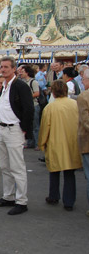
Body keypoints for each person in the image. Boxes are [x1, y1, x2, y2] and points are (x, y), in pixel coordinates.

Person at [0, 56, 34, 215]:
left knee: (17, 167)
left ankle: (22, 201)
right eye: (1, 67)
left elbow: (29, 108)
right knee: (5, 166)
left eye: (6, 67)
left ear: (14, 69)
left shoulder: (20, 86)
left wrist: (24, 129)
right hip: (2, 129)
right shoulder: (4, 86)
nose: (3, 69)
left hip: (14, 129)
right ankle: (8, 196)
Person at [38, 80, 81, 211]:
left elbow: (45, 127)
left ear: (53, 92)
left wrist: (42, 143)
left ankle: (54, 196)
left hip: (55, 142)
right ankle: (69, 201)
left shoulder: (50, 107)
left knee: (54, 171)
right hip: (72, 141)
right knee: (69, 172)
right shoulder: (75, 104)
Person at [76, 68, 89, 217]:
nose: (83, 83)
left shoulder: (84, 96)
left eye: (84, 80)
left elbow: (85, 121)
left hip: (86, 141)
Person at [18, 64, 40, 149]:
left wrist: (26, 97)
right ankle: (31, 142)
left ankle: (37, 143)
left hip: (34, 105)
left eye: (22, 71)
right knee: (29, 125)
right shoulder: (23, 82)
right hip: (26, 106)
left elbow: (37, 93)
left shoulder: (33, 82)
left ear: (27, 72)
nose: (20, 73)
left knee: (35, 125)